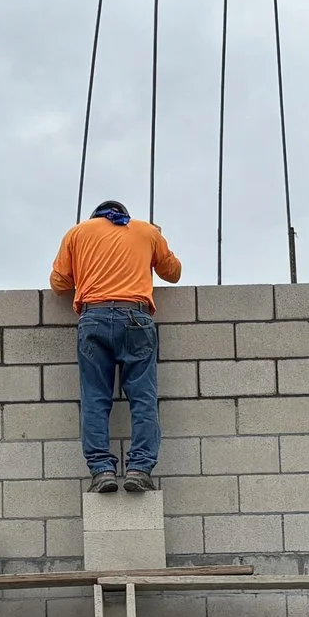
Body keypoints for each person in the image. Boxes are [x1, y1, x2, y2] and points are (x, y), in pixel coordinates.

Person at [50, 198, 183, 494]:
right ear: (125, 215)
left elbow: (59, 283)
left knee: (96, 398)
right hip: (136, 317)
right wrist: (157, 237)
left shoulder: (78, 233)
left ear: (95, 216)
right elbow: (173, 273)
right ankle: (139, 469)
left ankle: (101, 471)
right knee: (143, 398)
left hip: (93, 317)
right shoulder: (146, 232)